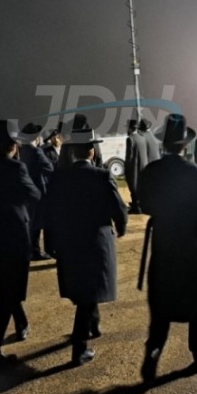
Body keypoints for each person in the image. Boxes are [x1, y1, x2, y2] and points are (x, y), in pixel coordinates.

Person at [137, 113, 197, 383]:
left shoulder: (152, 171)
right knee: (196, 300)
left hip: (163, 242)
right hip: (190, 243)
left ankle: (154, 350)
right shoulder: (193, 171)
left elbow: (144, 204)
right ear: (184, 144)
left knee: (161, 302)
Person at [46, 123, 128, 366]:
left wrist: (50, 242)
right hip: (96, 241)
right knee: (87, 294)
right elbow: (118, 209)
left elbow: (49, 213)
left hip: (69, 241)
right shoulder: (101, 176)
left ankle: (94, 324)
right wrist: (121, 227)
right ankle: (79, 348)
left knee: (84, 287)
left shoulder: (59, 177)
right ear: (91, 150)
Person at [0, 119, 41, 371]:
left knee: (7, 286)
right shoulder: (18, 169)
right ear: (14, 145)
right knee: (8, 293)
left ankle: (21, 323)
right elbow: (34, 195)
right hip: (15, 233)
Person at [18, 122, 55, 260]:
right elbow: (49, 167)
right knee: (38, 222)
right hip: (39, 190)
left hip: (28, 190)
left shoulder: (23, 150)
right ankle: (36, 251)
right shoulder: (36, 151)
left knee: (32, 221)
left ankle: (32, 250)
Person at [124, 118, 148, 213]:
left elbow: (129, 156)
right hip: (143, 166)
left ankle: (136, 207)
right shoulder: (142, 137)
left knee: (133, 186)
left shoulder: (130, 139)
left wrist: (126, 167)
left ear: (130, 128)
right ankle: (140, 205)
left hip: (133, 167)